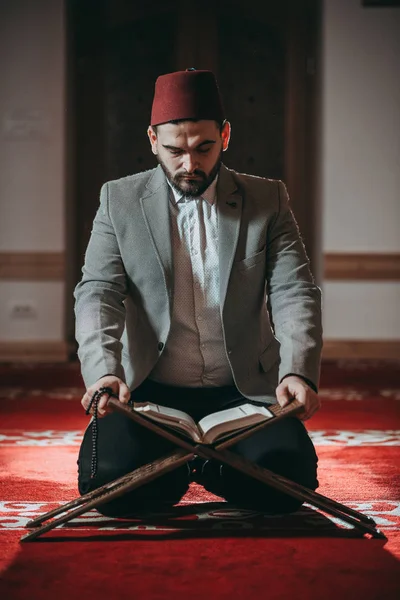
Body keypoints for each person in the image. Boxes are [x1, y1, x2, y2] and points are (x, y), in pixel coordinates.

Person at [74, 68, 323, 517]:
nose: (190, 165)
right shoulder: (118, 200)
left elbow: (294, 289)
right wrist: (102, 371)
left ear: (225, 135)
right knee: (108, 484)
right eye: (174, 150)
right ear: (152, 140)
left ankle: (195, 466)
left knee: (288, 485)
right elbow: (98, 291)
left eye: (203, 148)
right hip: (148, 392)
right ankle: (194, 465)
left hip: (241, 392)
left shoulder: (268, 199)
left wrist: (298, 372)